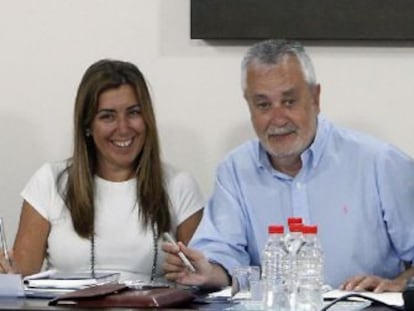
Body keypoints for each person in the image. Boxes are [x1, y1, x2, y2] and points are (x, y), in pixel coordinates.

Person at [163, 39, 414, 292]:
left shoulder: (380, 164)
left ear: (315, 98)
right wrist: (206, 271)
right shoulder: (235, 171)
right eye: (263, 105)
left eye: (289, 101)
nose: (278, 118)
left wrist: (401, 283)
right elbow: (222, 257)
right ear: (248, 105)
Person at [0, 59, 204, 281]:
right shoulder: (49, 181)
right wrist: (8, 275)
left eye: (134, 113)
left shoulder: (179, 185)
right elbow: (20, 279)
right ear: (87, 125)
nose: (124, 128)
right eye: (108, 116)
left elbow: (200, 281)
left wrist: (188, 272)